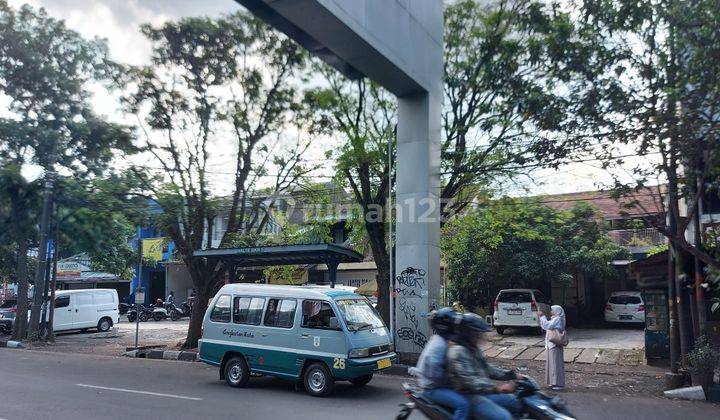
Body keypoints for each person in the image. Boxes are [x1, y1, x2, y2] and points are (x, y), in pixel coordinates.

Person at [447, 312, 523, 420]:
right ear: (468, 333)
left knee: (515, 401)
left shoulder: (473, 349)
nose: (480, 336)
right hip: (469, 395)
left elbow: (488, 369)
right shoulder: (457, 352)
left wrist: (512, 375)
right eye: (477, 333)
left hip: (483, 392)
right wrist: (498, 388)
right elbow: (470, 382)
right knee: (503, 417)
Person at [408, 308, 470, 420]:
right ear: (446, 326)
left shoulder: (439, 339)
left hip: (432, 383)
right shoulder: (440, 345)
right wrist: (453, 381)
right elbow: (434, 373)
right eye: (453, 323)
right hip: (431, 388)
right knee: (463, 404)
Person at [538, 305, 566, 391]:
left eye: (552, 310)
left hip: (555, 344)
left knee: (556, 364)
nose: (551, 311)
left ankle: (559, 384)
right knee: (552, 364)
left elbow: (547, 325)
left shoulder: (558, 319)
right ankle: (553, 382)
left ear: (557, 311)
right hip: (551, 345)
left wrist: (542, 317)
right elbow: (544, 326)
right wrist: (541, 318)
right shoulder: (555, 318)